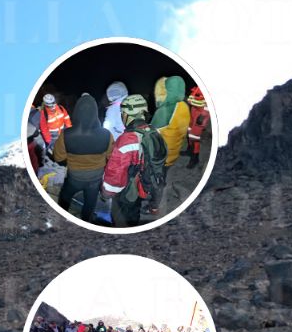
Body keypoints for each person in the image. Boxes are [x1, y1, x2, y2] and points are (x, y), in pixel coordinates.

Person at [100, 94, 166, 227]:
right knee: (134, 213)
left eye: (122, 113)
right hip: (143, 183)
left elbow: (116, 173)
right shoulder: (154, 131)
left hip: (128, 191)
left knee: (121, 218)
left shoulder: (127, 140)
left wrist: (106, 192)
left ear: (127, 115)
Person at [52, 93, 115, 223]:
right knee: (90, 202)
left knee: (65, 196)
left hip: (74, 177)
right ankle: (86, 220)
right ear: (95, 112)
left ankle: (61, 217)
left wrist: (69, 160)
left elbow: (58, 158)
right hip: (95, 178)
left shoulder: (66, 134)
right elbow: (111, 157)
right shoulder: (106, 135)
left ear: (76, 112)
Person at [148, 76, 190, 215]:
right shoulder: (184, 106)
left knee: (156, 180)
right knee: (163, 176)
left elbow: (151, 132)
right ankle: (161, 189)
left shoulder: (164, 111)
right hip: (174, 152)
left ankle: (154, 206)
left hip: (161, 156)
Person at [38, 93, 72, 157]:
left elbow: (66, 118)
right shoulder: (44, 114)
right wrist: (48, 140)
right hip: (53, 135)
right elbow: (44, 129)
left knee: (66, 146)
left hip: (63, 131)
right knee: (54, 150)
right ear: (46, 105)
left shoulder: (60, 108)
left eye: (53, 104)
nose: (52, 107)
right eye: (50, 106)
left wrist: (69, 128)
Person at [185, 86, 210, 169]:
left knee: (194, 137)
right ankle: (190, 150)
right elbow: (192, 97)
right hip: (194, 109)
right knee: (189, 131)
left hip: (201, 113)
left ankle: (195, 158)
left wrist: (204, 115)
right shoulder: (198, 87)